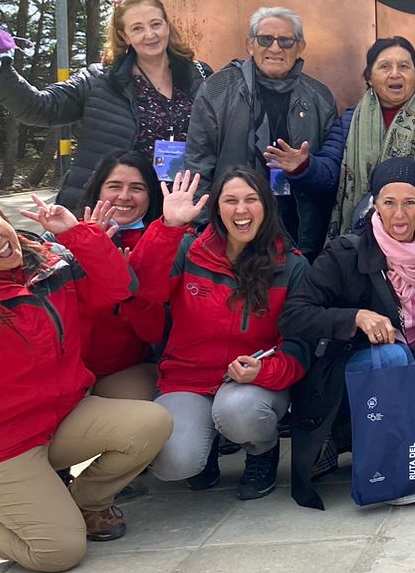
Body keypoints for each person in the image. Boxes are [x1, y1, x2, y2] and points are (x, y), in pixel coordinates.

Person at [0, 193, 172, 572]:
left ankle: (87, 503)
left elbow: (118, 287)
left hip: (59, 421)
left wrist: (78, 234)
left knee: (152, 422)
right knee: (58, 552)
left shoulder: (50, 260)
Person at [280, 158, 415, 509]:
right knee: (391, 355)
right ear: (375, 204)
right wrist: (354, 317)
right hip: (355, 370)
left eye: (410, 202)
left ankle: (385, 450)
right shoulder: (346, 252)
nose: (399, 214)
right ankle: (389, 473)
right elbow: (293, 316)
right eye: (389, 202)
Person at [131, 169, 311, 499]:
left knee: (238, 411)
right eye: (230, 201)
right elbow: (145, 291)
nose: (241, 210)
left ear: (267, 207)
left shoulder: (292, 266)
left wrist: (265, 370)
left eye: (250, 200)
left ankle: (262, 450)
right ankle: (206, 447)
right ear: (217, 209)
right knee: (174, 464)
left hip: (254, 385)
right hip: (188, 380)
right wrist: (168, 228)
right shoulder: (189, 250)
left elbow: (301, 345)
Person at [0, 0, 212, 210]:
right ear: (123, 36)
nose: (150, 35)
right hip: (115, 208)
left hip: (183, 207)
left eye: (156, 24)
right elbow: (38, 108)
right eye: (137, 28)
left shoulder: (200, 76)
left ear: (167, 25)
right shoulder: (98, 81)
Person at [284, 36, 415, 241]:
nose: (395, 74)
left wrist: (414, 172)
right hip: (363, 238)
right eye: (385, 66)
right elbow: (330, 173)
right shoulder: (350, 120)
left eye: (404, 66)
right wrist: (304, 167)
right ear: (369, 77)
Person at [184, 7, 339, 259]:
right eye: (265, 39)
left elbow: (331, 174)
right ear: (250, 45)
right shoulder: (217, 89)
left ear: (300, 47)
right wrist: (207, 230)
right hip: (231, 232)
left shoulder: (320, 97)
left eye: (286, 41)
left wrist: (305, 166)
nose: (275, 49)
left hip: (298, 236)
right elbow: (198, 166)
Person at [76, 151, 167, 401]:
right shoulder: (68, 236)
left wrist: (127, 288)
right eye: (114, 186)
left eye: (137, 188)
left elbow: (156, 332)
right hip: (70, 369)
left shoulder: (162, 243)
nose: (125, 197)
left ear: (150, 196)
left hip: (127, 369)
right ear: (98, 191)